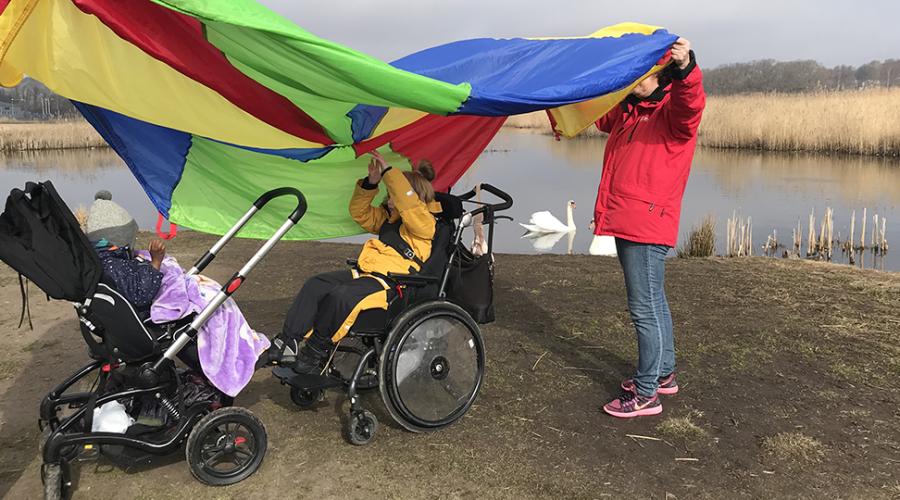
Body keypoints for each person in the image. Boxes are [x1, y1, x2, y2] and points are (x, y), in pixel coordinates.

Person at [592, 38, 706, 418]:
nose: (633, 77)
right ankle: (663, 375)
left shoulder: (670, 113)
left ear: (658, 73)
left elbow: (691, 106)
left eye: (640, 71)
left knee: (644, 309)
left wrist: (687, 66)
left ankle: (645, 394)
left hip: (646, 222)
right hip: (631, 217)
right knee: (655, 302)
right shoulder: (631, 111)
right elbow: (599, 116)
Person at [264, 152, 441, 375]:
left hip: (393, 284)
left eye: (391, 194)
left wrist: (390, 174)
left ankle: (316, 351)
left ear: (411, 196)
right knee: (316, 284)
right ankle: (288, 341)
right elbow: (360, 213)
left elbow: (411, 207)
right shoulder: (390, 219)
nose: (388, 199)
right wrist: (371, 184)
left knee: (342, 296)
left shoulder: (425, 225)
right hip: (367, 274)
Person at [85, 190, 167, 318]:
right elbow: (141, 295)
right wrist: (156, 262)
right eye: (131, 240)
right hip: (140, 318)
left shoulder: (102, 261)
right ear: (120, 240)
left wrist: (137, 262)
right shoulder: (114, 268)